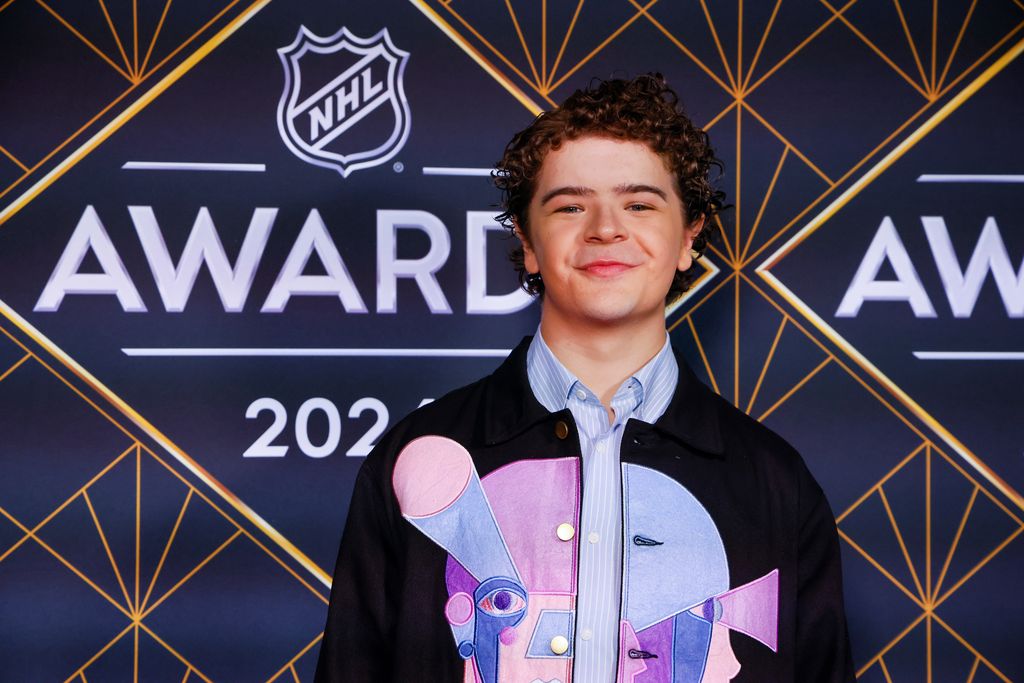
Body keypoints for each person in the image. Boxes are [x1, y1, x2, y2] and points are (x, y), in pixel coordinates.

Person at [315, 74, 854, 682]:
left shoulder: (774, 481)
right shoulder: (412, 459)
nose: (605, 228)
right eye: (570, 205)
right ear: (527, 242)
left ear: (689, 237)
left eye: (640, 204)